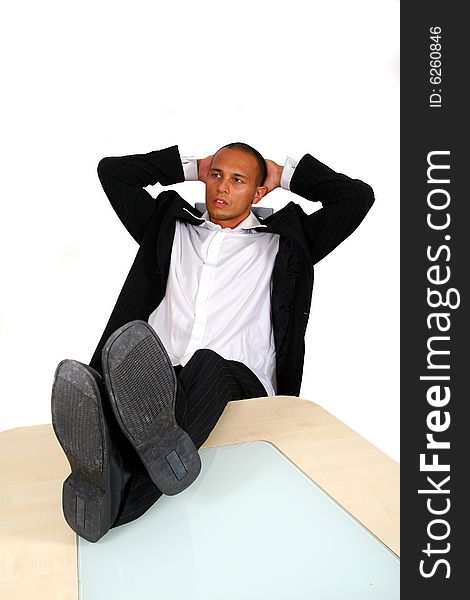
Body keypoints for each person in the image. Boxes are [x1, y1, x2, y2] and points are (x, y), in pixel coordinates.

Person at [51, 142, 374, 542]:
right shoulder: (168, 225)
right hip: (155, 379)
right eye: (217, 175)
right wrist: (192, 166)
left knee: (208, 364)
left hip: (238, 381)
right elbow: (112, 172)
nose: (221, 186)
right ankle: (119, 465)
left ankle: (118, 493)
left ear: (258, 192)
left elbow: (357, 198)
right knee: (103, 380)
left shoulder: (287, 241)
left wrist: (285, 173)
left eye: (238, 180)